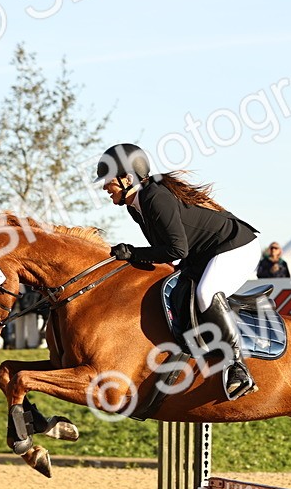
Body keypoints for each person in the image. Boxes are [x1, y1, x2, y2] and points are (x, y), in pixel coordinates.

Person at [95, 142, 260, 400]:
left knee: (206, 293)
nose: (105, 187)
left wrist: (133, 252)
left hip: (236, 247)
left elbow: (176, 250)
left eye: (108, 181)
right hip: (206, 253)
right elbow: (166, 252)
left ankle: (238, 366)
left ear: (127, 179)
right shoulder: (135, 205)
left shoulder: (155, 198)